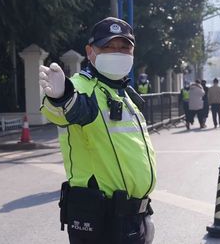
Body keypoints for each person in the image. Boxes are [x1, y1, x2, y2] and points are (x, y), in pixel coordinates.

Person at [39, 17, 156, 244]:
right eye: (108, 46)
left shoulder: (123, 93)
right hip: (100, 220)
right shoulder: (81, 87)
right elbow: (63, 111)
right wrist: (60, 96)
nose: (117, 52)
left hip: (131, 217)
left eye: (124, 47)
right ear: (90, 51)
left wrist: (144, 213)